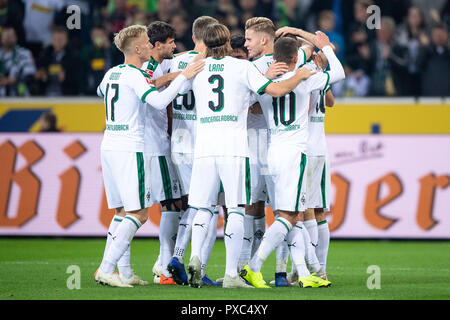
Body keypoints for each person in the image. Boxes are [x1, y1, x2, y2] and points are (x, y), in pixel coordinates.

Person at [180, 22, 317, 289]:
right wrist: (297, 76)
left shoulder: (197, 68)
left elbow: (173, 93)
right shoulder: (242, 67)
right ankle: (233, 274)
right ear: (229, 44)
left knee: (203, 208)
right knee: (236, 210)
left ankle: (195, 255)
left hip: (204, 148)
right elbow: (276, 90)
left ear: (205, 44)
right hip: (233, 148)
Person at [94, 24, 204, 288]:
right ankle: (106, 269)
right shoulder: (134, 75)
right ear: (137, 48)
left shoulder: (112, 73)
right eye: (146, 41)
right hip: (131, 146)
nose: (150, 45)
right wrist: (184, 76)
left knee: (121, 211)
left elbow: (101, 93)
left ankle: (124, 271)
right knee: (139, 213)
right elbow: (158, 101)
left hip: (109, 143)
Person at [241, 32, 345, 289]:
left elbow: (248, 103)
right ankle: (253, 267)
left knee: (292, 215)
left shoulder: (265, 83)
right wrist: (325, 49)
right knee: (288, 217)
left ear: (274, 58)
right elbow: (339, 74)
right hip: (295, 152)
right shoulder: (305, 79)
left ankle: (307, 272)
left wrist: (264, 79)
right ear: (296, 57)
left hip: (272, 151)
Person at [243, 18, 315, 287]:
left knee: (281, 212)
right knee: (282, 212)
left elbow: (248, 103)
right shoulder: (281, 65)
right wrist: (297, 32)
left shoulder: (256, 69)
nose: (245, 44)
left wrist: (261, 85)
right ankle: (257, 268)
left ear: (265, 40)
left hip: (266, 147)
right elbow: (317, 43)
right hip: (273, 147)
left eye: (249, 39)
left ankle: (294, 273)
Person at [166, 15, 222, 287]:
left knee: (194, 204)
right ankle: (192, 263)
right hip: (202, 142)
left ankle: (176, 257)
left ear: (192, 36)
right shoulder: (210, 64)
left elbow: (158, 84)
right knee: (207, 207)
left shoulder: (176, 60)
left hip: (178, 141)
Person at [143, 21, 186, 286]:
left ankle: (162, 262)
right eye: (171, 42)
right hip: (154, 145)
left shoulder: (163, 62)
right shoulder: (149, 67)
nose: (175, 46)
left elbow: (179, 59)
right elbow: (154, 83)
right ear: (157, 45)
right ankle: (164, 267)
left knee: (172, 203)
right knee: (170, 204)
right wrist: (180, 76)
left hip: (159, 142)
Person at [288, 50, 334, 284]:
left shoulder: (302, 76)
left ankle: (312, 268)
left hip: (306, 148)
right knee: (317, 211)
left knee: (302, 211)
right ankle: (316, 267)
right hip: (319, 147)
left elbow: (303, 110)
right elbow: (331, 102)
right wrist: (323, 72)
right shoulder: (318, 75)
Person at [34, 26, 80, 96]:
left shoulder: (74, 57)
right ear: (52, 39)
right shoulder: (44, 55)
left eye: (61, 39)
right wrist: (41, 76)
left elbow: (79, 81)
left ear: (66, 40)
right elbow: (37, 77)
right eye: (55, 39)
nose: (58, 42)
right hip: (45, 96)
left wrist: (66, 78)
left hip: (66, 97)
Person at [0, 26, 36, 97]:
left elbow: (30, 73)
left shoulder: (25, 53)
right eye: (6, 36)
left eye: (11, 36)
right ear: (1, 39)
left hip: (19, 95)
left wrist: (12, 79)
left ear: (16, 37)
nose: (8, 39)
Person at [419, 22, 450, 96]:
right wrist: (425, 48)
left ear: (447, 35)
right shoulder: (426, 52)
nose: (439, 37)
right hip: (430, 98)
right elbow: (417, 66)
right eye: (436, 35)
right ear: (432, 36)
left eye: (441, 35)